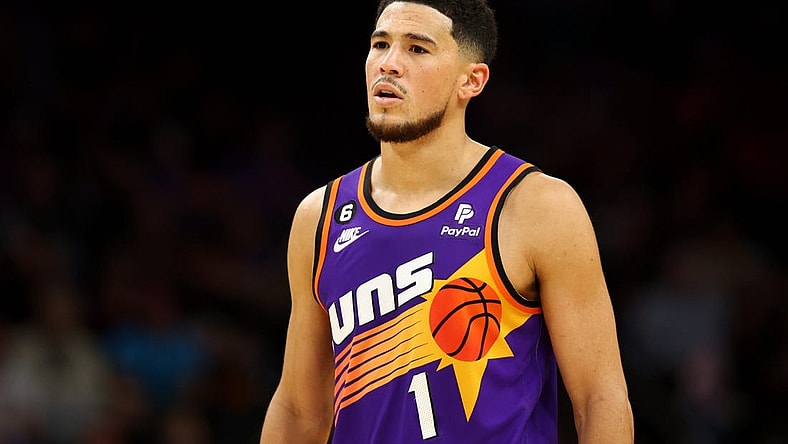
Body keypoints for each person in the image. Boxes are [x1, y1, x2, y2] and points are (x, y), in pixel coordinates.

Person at [259, 0, 634, 442]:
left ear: (470, 80)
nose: (389, 64)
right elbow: (300, 411)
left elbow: (599, 398)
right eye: (380, 44)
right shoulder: (318, 217)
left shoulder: (536, 206)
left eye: (417, 49)